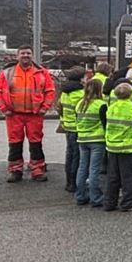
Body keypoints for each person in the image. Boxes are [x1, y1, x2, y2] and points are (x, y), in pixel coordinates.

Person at [0, 46, 56, 182]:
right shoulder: (8, 72)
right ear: (17, 56)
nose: (25, 55)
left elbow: (50, 91)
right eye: (23, 53)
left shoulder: (41, 72)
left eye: (28, 53)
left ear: (32, 55)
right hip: (14, 114)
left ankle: (37, 169)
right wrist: (4, 109)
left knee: (36, 142)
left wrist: (44, 108)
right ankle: (15, 170)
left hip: (35, 114)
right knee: (15, 142)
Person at [101, 82, 132, 212]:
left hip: (112, 145)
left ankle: (109, 203)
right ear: (131, 94)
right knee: (128, 176)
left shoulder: (111, 107)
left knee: (113, 176)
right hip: (128, 146)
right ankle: (128, 203)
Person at [73, 78, 107, 207]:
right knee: (94, 170)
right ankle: (96, 197)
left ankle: (81, 195)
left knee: (82, 168)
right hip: (97, 140)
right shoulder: (100, 105)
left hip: (82, 139)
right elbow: (105, 124)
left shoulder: (80, 104)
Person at [55, 66, 86, 194]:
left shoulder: (65, 93)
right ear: (81, 78)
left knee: (69, 155)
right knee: (77, 157)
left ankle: (69, 181)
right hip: (77, 127)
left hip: (67, 126)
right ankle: (74, 183)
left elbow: (59, 107)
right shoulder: (80, 94)